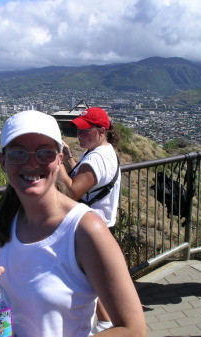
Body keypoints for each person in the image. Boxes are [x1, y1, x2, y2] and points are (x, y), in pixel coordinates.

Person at [0, 110, 146, 337]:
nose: (31, 163)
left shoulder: (85, 229)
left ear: (59, 160)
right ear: (3, 162)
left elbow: (133, 330)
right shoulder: (9, 219)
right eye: (18, 153)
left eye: (44, 153)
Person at [58, 107, 121, 333]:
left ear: (101, 131)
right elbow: (83, 180)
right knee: (93, 278)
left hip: (91, 227)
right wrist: (69, 158)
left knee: (90, 279)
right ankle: (105, 321)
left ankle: (104, 323)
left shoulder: (96, 158)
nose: (80, 135)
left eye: (86, 131)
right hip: (100, 224)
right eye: (78, 130)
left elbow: (72, 192)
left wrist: (56, 164)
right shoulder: (103, 152)